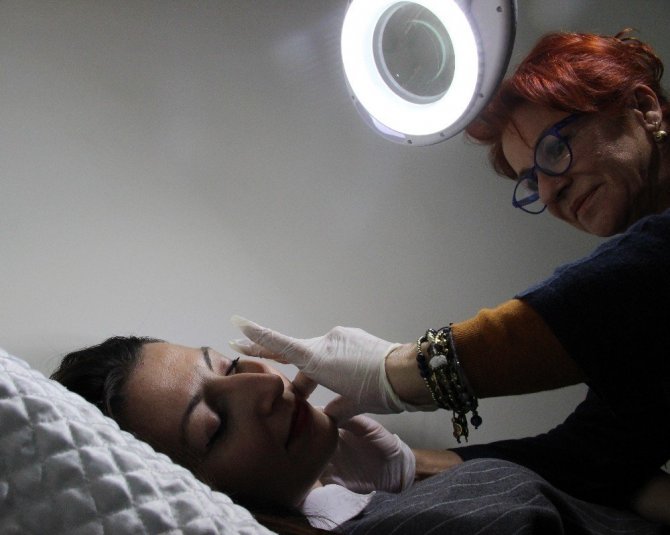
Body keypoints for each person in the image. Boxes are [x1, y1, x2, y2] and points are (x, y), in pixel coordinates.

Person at [228, 29, 670, 529]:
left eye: (554, 150)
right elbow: (591, 458)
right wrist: (407, 465)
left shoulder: (640, 282)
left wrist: (396, 371)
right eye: (532, 180)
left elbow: (634, 280)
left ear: (644, 108)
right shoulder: (645, 344)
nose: (549, 193)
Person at [51, 336, 666, 535]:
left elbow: (594, 468)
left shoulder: (374, 495)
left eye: (232, 366)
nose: (263, 387)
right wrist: (420, 369)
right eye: (214, 427)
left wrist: (416, 467)